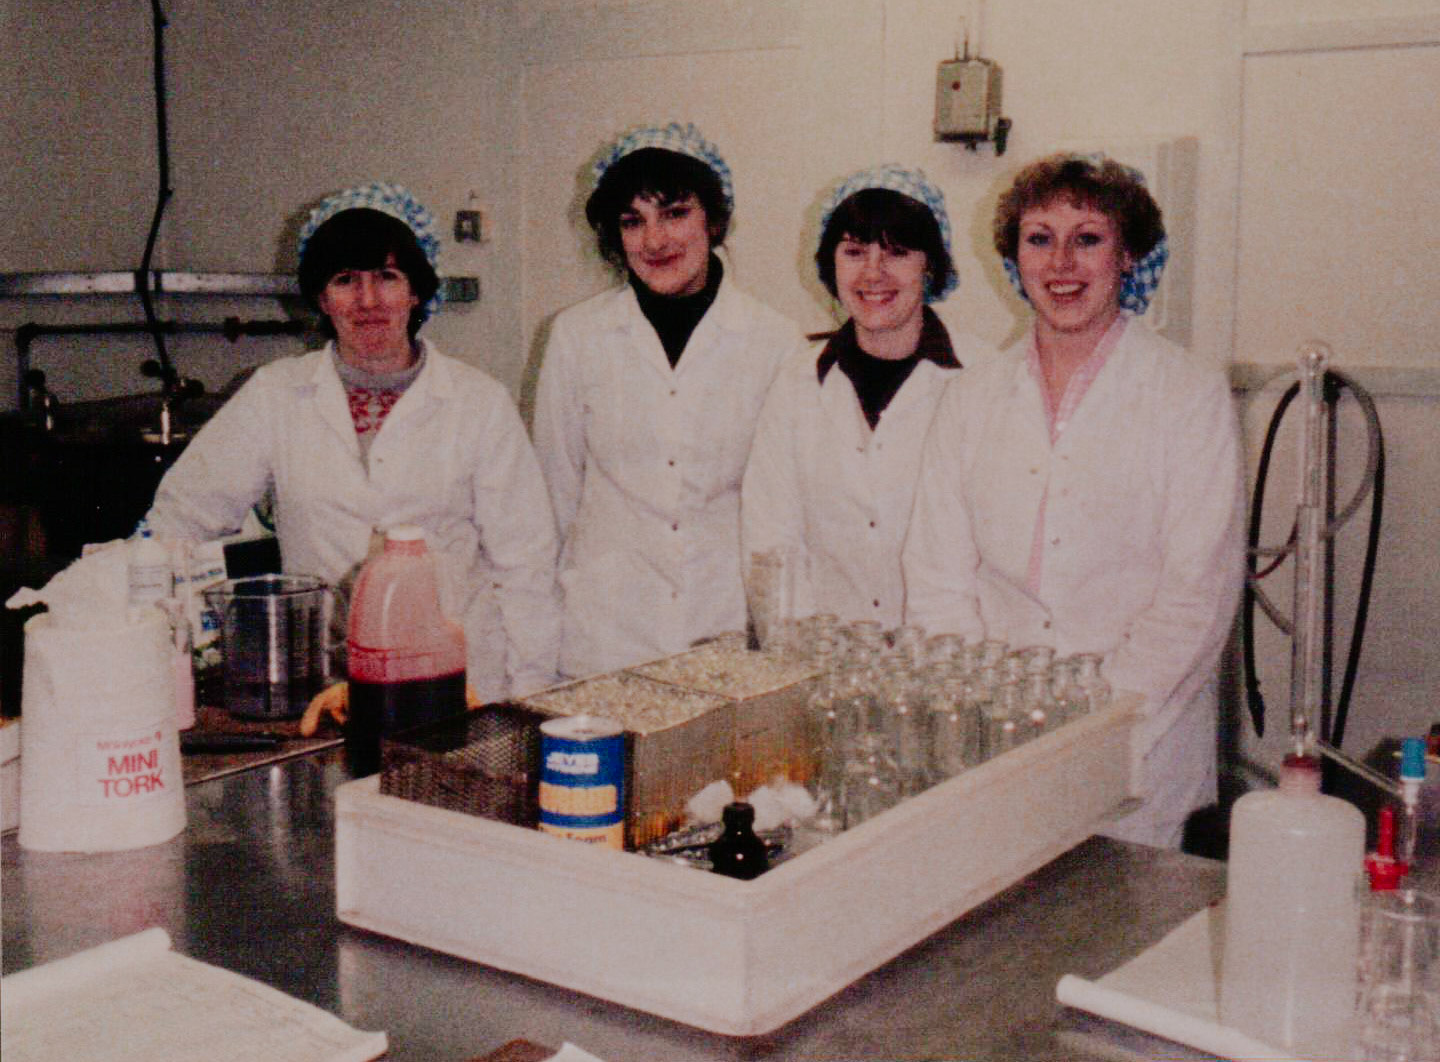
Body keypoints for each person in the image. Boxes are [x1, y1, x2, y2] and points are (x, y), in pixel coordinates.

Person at [902, 154, 1245, 848]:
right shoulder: (969, 398)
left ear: (1128, 258)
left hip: (1137, 757)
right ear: (1014, 257)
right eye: (1039, 238)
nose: (1061, 262)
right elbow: (936, 580)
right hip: (991, 750)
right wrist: (990, 720)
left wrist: (1086, 734)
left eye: (1087, 238)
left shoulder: (1188, 396)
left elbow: (1194, 600)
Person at [147, 181, 561, 702]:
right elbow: (181, 518)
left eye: (387, 277)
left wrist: (530, 698)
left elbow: (526, 567)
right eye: (345, 280)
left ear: (416, 291)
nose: (368, 302)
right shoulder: (276, 394)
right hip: (324, 686)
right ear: (322, 297)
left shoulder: (479, 402)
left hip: (463, 681)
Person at [532, 123, 806, 679]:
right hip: (602, 637)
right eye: (633, 221)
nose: (655, 241)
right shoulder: (575, 337)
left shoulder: (776, 342)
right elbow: (551, 500)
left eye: (675, 213)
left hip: (724, 628)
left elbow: (785, 517)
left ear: (715, 219)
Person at [742, 165, 986, 628]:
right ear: (830, 266)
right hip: (822, 662)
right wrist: (802, 657)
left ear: (930, 264)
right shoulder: (796, 380)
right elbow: (771, 539)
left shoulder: (983, 378)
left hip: (949, 664)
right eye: (854, 252)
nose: (873, 273)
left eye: (896, 252)